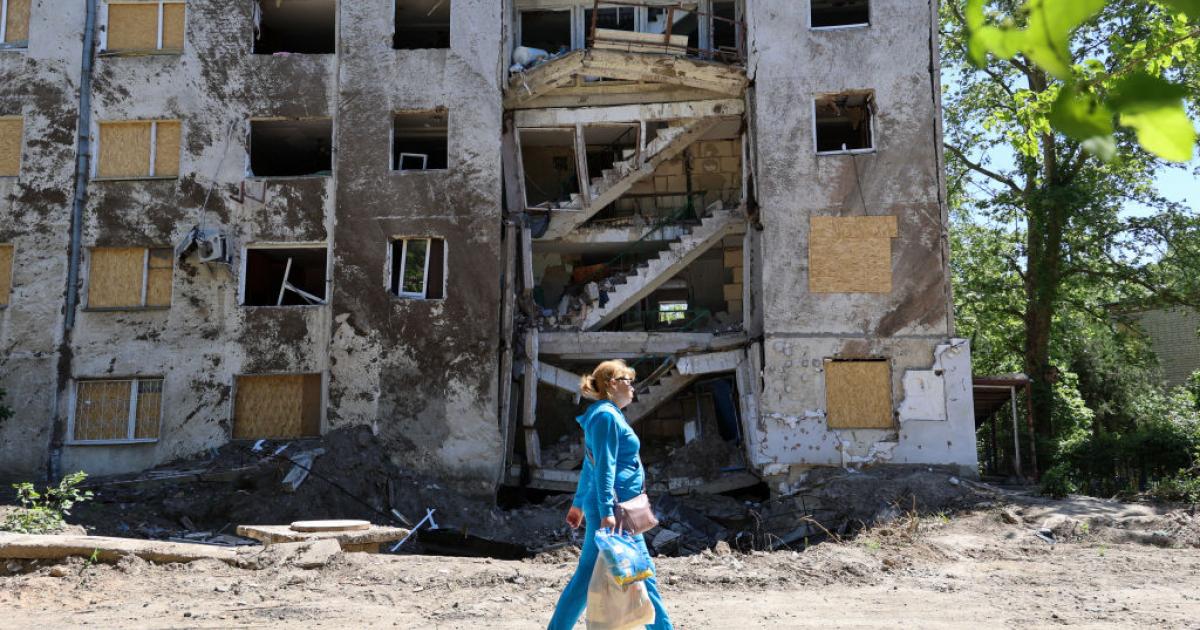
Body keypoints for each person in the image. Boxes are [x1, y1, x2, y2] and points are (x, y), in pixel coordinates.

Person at [547, 359, 673, 630]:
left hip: (615, 508)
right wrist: (606, 513)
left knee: (586, 578)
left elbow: (588, 466)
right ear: (612, 384)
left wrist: (579, 504)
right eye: (628, 381)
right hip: (617, 511)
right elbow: (604, 467)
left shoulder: (607, 414)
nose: (632, 388)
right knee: (642, 573)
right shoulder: (605, 416)